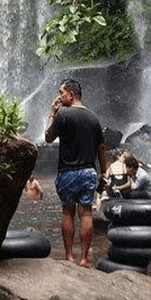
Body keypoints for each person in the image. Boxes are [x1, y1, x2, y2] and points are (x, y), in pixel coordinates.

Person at [44, 78, 108, 267]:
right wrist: (103, 173)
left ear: (71, 95)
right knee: (86, 213)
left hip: (68, 172)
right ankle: (85, 259)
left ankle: (69, 257)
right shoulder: (93, 117)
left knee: (67, 212)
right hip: (89, 172)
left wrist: (52, 113)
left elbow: (48, 137)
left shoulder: (63, 116)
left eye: (61, 92)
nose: (59, 96)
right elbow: (102, 148)